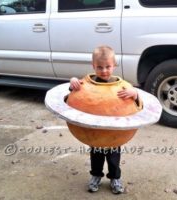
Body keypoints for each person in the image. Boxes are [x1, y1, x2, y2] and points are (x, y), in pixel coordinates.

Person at [69, 45, 139, 194]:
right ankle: (95, 176)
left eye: (108, 66)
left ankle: (115, 178)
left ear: (114, 65)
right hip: (95, 134)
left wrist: (135, 93)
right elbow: (72, 93)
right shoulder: (86, 84)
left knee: (114, 159)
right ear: (93, 66)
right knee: (96, 157)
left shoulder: (123, 87)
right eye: (99, 67)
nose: (104, 71)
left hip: (115, 135)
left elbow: (138, 103)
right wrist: (73, 81)